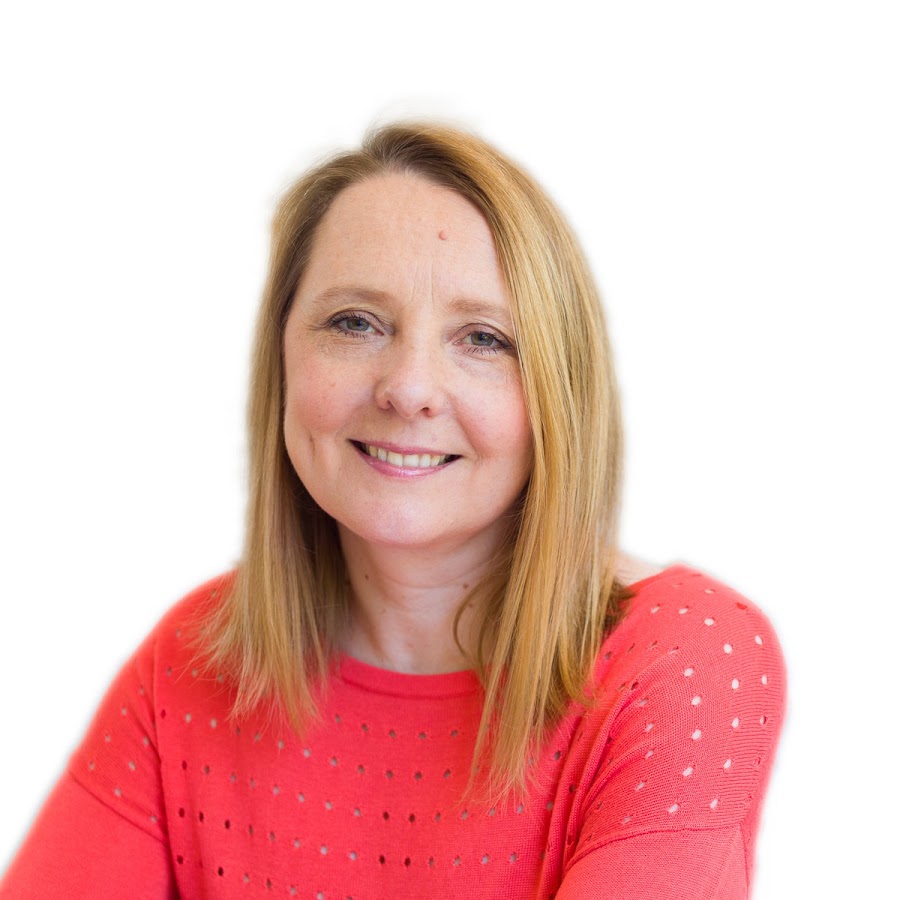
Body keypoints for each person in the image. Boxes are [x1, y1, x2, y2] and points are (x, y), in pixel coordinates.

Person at [0, 122, 785, 899]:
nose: (408, 388)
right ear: (283, 357)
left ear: (558, 392)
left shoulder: (682, 659)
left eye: (482, 339)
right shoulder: (194, 663)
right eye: (355, 323)